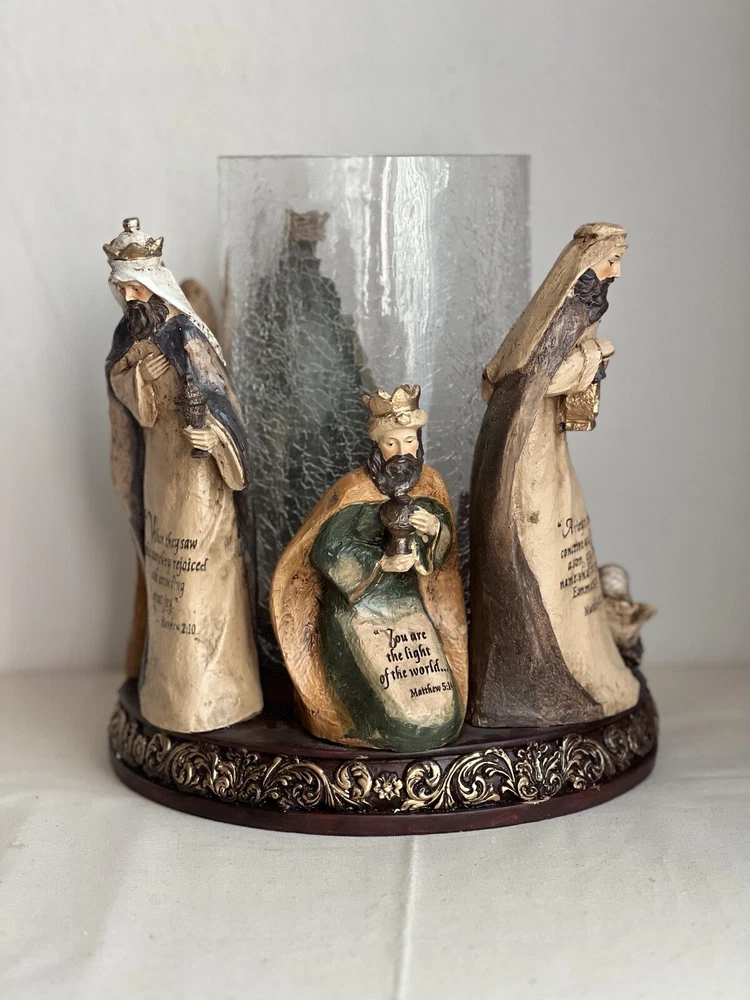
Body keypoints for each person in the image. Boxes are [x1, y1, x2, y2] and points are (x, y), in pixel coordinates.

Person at [469, 223, 640, 727]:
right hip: (526, 455)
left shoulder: (580, 310)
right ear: (585, 264)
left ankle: (586, 660)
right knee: (536, 547)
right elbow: (529, 377)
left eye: (619, 260)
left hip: (547, 445)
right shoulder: (563, 314)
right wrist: (591, 357)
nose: (616, 272)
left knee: (563, 538)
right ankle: (543, 681)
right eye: (610, 260)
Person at [105, 218, 262, 733]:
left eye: (137, 287)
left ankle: (218, 693)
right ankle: (167, 691)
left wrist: (212, 437)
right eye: (123, 288)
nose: (131, 298)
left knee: (202, 578)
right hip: (159, 470)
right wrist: (135, 377)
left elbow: (223, 404)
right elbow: (123, 394)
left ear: (155, 282)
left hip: (198, 474)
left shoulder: (188, 336)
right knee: (166, 570)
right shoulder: (128, 334)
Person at [270, 385, 468, 750]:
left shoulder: (429, 484)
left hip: (406, 606)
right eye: (392, 443)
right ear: (377, 446)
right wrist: (381, 563)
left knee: (440, 715)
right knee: (400, 718)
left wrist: (434, 530)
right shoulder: (353, 490)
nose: (402, 452)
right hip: (357, 608)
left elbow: (443, 559)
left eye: (409, 441)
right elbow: (327, 549)